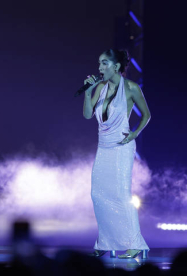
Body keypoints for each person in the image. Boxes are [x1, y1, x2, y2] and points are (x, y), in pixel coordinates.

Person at [83, 49, 151, 259]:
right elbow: (87, 115)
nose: (100, 67)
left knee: (121, 195)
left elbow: (146, 115)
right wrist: (88, 92)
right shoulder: (100, 87)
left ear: (116, 66)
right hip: (103, 148)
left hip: (121, 147)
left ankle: (135, 244)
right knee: (98, 195)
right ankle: (106, 242)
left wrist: (135, 133)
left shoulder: (130, 88)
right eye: (99, 63)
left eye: (104, 63)